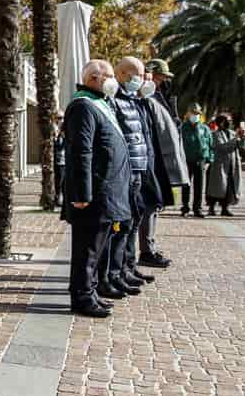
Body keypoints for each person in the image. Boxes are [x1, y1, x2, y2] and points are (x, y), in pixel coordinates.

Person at [62, 59, 131, 318]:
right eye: (110, 75)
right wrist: (81, 194)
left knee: (97, 249)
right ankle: (81, 298)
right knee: (87, 251)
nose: (114, 80)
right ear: (94, 78)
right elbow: (80, 152)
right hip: (94, 195)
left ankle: (90, 293)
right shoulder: (82, 106)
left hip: (108, 193)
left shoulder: (101, 104)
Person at [105, 56, 160, 299]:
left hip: (140, 171)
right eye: (136, 75)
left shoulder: (134, 102)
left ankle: (127, 268)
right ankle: (114, 274)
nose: (140, 80)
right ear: (122, 75)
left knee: (133, 222)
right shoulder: (114, 102)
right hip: (125, 173)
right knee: (121, 226)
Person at [137, 71, 187, 269]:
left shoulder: (159, 99)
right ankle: (144, 252)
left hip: (158, 161)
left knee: (154, 206)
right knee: (148, 207)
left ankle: (147, 249)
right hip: (149, 162)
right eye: (157, 77)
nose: (160, 82)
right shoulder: (144, 101)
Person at [180, 104, 213, 218]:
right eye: (193, 113)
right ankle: (185, 208)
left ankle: (197, 209)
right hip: (186, 160)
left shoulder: (205, 129)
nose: (195, 115)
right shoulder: (182, 128)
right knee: (186, 185)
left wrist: (209, 160)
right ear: (188, 114)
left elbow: (210, 145)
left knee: (199, 186)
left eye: (197, 114)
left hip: (200, 160)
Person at [206, 114, 242, 216]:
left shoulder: (232, 133)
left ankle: (225, 208)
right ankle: (211, 208)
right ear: (221, 122)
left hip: (231, 164)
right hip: (219, 165)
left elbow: (238, 146)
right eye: (228, 121)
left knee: (229, 187)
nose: (230, 123)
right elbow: (223, 147)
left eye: (230, 121)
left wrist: (241, 137)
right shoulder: (215, 134)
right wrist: (236, 140)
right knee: (216, 188)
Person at [145, 58, 180, 124]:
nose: (159, 83)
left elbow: (174, 120)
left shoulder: (164, 95)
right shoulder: (135, 95)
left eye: (162, 79)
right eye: (158, 78)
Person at [53, 112, 66, 211]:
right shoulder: (53, 129)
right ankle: (58, 199)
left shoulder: (65, 129)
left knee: (63, 182)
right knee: (59, 182)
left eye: (62, 118)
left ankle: (62, 200)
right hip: (57, 160)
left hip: (65, 160)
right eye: (59, 118)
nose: (61, 120)